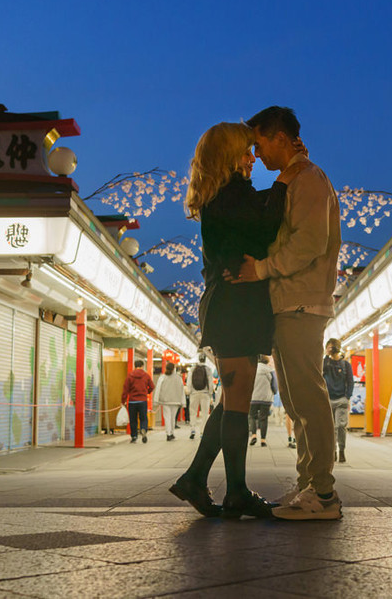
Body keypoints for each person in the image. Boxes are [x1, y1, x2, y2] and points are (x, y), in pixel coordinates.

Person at [170, 121, 300, 520]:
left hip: (232, 307)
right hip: (235, 308)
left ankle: (194, 479)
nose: (252, 157)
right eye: (245, 150)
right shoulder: (231, 194)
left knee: (231, 404)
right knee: (237, 406)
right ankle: (237, 491)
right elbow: (264, 225)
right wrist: (286, 181)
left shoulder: (223, 195)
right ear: (228, 155)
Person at [234, 106, 343, 520]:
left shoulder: (309, 179)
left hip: (301, 300)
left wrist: (261, 268)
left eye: (260, 143)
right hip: (290, 301)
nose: (257, 154)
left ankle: (324, 493)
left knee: (308, 398)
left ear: (280, 138)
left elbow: (310, 242)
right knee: (297, 401)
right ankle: (308, 486)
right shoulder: (295, 179)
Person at [323, 338, 354, 463]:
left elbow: (350, 382)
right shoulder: (326, 363)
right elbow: (320, 372)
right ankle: (332, 451)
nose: (331, 349)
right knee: (331, 428)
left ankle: (341, 450)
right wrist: (326, 355)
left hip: (341, 399)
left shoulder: (346, 365)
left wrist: (347, 396)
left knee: (340, 426)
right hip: (328, 400)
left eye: (332, 347)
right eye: (329, 347)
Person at [122, 360, 154, 443]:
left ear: (134, 366)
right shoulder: (146, 375)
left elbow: (125, 389)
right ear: (142, 366)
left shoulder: (130, 376)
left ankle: (134, 436)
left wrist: (123, 400)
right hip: (142, 401)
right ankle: (143, 429)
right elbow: (152, 386)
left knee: (133, 419)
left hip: (132, 401)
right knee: (143, 418)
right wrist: (147, 392)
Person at [249, 355, 277, 447]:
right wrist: (274, 392)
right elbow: (274, 386)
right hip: (266, 398)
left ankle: (253, 435)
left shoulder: (252, 369)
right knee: (263, 418)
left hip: (253, 398)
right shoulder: (270, 370)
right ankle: (263, 440)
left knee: (252, 416)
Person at [154, 361, 185, 441]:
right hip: (176, 401)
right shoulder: (178, 378)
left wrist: (156, 400)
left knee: (167, 417)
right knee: (173, 417)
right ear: (174, 369)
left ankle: (168, 434)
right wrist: (183, 402)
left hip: (165, 401)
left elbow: (158, 389)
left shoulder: (162, 377)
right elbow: (182, 391)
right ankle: (172, 433)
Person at [187, 353, 215, 440]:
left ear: (199, 359)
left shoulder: (193, 369)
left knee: (193, 412)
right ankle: (202, 431)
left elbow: (189, 381)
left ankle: (193, 430)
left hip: (194, 393)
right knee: (205, 413)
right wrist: (210, 394)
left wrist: (189, 391)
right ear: (205, 360)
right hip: (205, 394)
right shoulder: (208, 369)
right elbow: (210, 382)